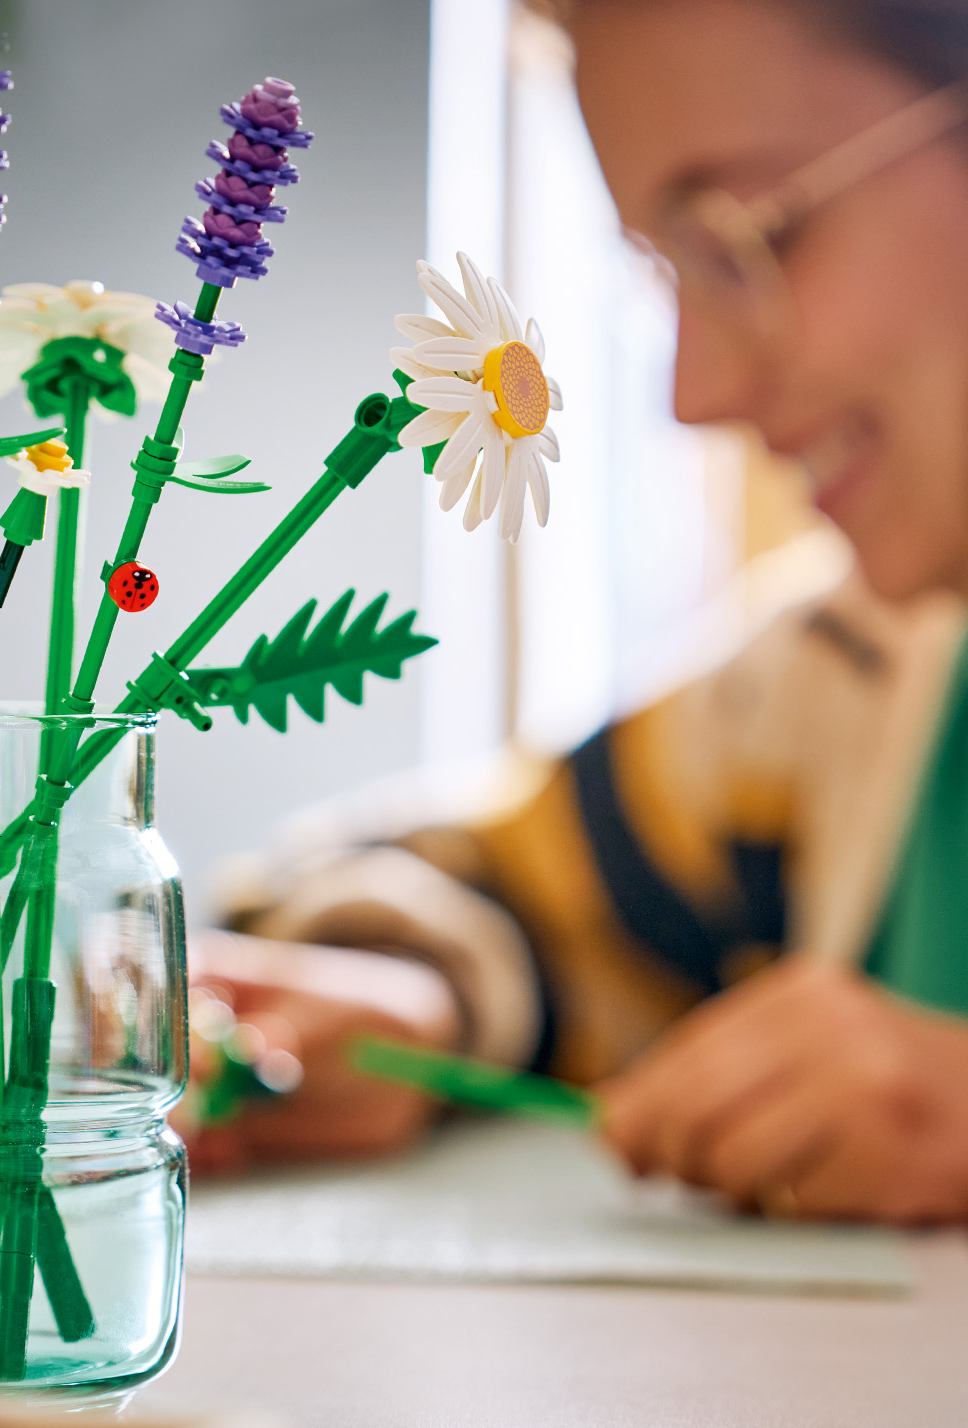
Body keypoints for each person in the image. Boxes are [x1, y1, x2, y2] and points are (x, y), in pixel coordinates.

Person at [184, 0, 968, 1223]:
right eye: (666, 272)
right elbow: (514, 879)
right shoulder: (862, 672)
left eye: (743, 236)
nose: (694, 391)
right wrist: (416, 992)